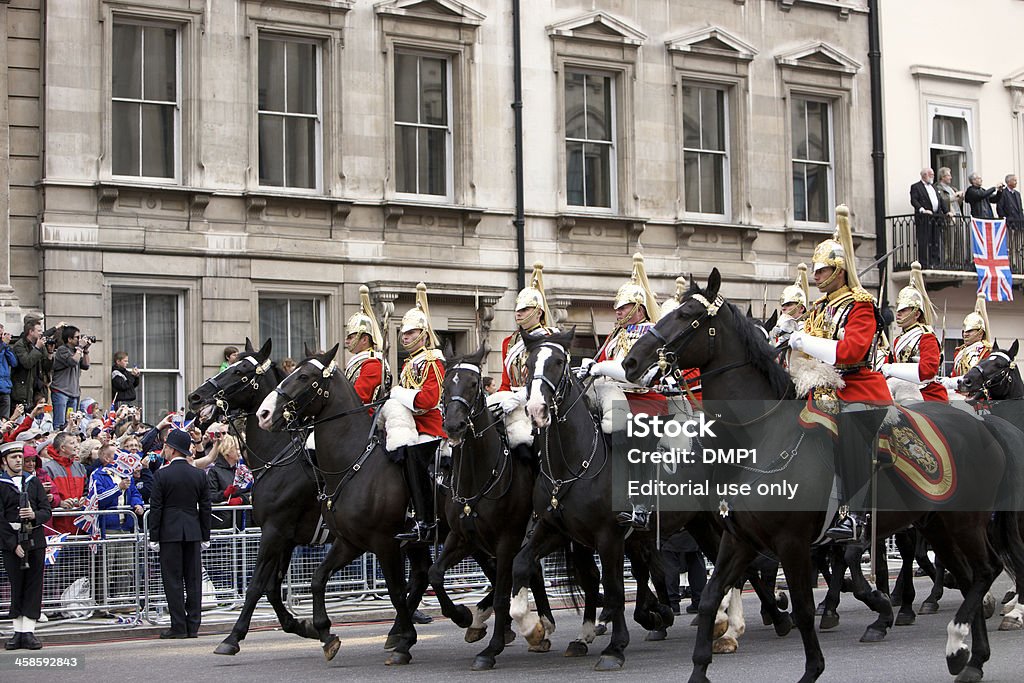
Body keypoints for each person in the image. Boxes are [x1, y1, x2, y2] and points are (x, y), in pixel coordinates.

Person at [788, 205, 893, 542]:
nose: (816, 277)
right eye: (816, 272)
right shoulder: (820, 308)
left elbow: (852, 352)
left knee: (848, 431)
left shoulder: (860, 304)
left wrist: (806, 341)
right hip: (821, 385)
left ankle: (854, 513)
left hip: (859, 386)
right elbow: (806, 352)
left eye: (822, 271)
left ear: (838, 271)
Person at [582, 254, 668, 529]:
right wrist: (589, 367)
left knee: (636, 440)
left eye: (624, 307)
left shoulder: (651, 334)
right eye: (617, 308)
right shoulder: (615, 336)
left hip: (644, 399)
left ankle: (641, 502)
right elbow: (603, 366)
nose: (618, 312)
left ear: (639, 308)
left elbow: (640, 376)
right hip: (613, 397)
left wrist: (602, 367)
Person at [381, 283, 446, 543]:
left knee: (414, 461)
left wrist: (398, 394)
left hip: (429, 429)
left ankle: (426, 521)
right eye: (404, 333)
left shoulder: (432, 361)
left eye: (411, 332)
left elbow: (427, 401)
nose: (405, 337)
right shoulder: (410, 363)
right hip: (411, 427)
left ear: (423, 333)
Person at [148, 428, 212, 639]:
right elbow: (205, 507)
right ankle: (193, 625)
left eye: (166, 446)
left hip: (170, 532)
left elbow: (156, 508)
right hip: (192, 531)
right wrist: (205, 535)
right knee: (193, 580)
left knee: (173, 580)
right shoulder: (198, 474)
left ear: (172, 449)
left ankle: (178, 626)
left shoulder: (162, 474)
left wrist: (154, 536)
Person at [492, 262, 559, 461]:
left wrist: (518, 398)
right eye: (517, 309)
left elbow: (553, 381)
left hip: (543, 402)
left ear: (539, 312)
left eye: (525, 309)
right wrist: (502, 399)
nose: (518, 313)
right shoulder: (509, 342)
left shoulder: (552, 338)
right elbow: (506, 381)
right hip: (512, 404)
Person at [0, 441, 51, 650]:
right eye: (13, 458)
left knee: (33, 586)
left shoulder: (33, 482)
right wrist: (13, 545)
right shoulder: (2, 484)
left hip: (34, 540)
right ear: (4, 462)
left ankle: (28, 631)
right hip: (11, 542)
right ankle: (17, 631)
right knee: (17, 586)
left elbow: (46, 510)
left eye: (20, 457)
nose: (19, 461)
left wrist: (34, 515)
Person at [880, 262, 947, 403]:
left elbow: (928, 370)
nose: (898, 313)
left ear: (916, 314)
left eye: (903, 310)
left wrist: (892, 369)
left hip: (924, 392)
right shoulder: (899, 339)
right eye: (898, 309)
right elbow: (888, 364)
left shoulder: (926, 336)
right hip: (898, 388)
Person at [343, 285, 390, 407]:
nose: (347, 340)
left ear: (364, 339)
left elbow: (357, 398)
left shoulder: (372, 364)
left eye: (351, 337)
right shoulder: (359, 361)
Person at [939, 295, 993, 396]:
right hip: (958, 393)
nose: (965, 334)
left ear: (980, 333)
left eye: (970, 331)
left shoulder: (986, 351)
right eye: (964, 331)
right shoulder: (959, 351)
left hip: (977, 396)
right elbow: (955, 374)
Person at [207, 433, 251, 530]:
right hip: (223, 523)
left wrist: (241, 499)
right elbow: (210, 495)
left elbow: (253, 491)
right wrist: (225, 494)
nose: (239, 452)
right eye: (236, 449)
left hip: (243, 522)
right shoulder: (214, 471)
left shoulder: (243, 469)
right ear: (227, 451)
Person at [50, 325, 91, 430]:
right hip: (61, 391)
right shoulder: (62, 350)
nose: (79, 339)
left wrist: (85, 350)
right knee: (59, 424)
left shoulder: (77, 351)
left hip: (73, 393)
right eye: (77, 337)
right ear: (69, 339)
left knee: (71, 424)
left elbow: (86, 365)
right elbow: (72, 361)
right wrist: (80, 348)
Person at [10, 315, 53, 410]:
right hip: (24, 390)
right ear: (31, 332)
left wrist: (50, 353)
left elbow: (47, 367)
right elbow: (27, 362)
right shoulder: (20, 345)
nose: (41, 333)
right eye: (39, 331)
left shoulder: (40, 344)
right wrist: (37, 348)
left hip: (38, 388)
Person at [661, 530, 705, 615]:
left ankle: (673, 604)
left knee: (670, 564)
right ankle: (698, 601)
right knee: (696, 561)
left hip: (670, 532)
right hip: (691, 530)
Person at [769, 264, 809, 352]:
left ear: (801, 308)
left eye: (789, 304)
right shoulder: (778, 327)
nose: (783, 308)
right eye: (783, 305)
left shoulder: (807, 329)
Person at [910, 167, 941, 268]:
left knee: (935, 240)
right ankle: (924, 263)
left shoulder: (934, 187)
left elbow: (940, 201)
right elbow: (914, 200)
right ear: (924, 175)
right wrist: (922, 210)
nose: (932, 176)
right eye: (930, 174)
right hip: (923, 218)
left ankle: (935, 262)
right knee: (924, 240)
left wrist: (947, 211)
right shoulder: (916, 187)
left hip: (935, 218)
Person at [0, 322, 17, 419]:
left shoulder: (4, 347)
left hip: (5, 388)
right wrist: (3, 344)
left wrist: (6, 347)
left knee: (5, 420)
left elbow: (14, 363)